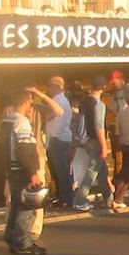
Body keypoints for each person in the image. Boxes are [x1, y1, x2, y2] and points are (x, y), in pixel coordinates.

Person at [0, 88, 46, 255]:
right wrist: (33, 172)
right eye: (31, 101)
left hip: (11, 168)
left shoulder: (7, 120)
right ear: (26, 100)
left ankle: (11, 236)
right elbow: (24, 150)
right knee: (27, 206)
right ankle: (23, 241)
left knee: (16, 204)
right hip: (21, 169)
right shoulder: (22, 122)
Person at [73, 75, 114, 211]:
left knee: (102, 170)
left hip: (84, 139)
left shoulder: (85, 101)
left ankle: (109, 199)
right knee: (93, 170)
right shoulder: (99, 104)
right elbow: (99, 125)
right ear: (103, 87)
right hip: (95, 140)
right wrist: (104, 145)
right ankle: (79, 200)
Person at [41, 76, 74, 207]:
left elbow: (55, 119)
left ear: (55, 87)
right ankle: (65, 197)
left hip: (57, 139)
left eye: (49, 86)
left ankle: (66, 198)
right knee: (64, 170)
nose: (48, 89)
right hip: (64, 138)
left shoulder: (56, 101)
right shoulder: (64, 100)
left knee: (61, 171)